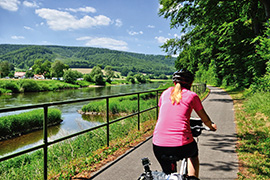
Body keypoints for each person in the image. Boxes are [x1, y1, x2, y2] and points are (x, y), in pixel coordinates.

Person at [152, 69, 217, 180]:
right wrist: (211, 126)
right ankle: (193, 178)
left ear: (174, 82)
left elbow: (166, 115)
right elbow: (205, 119)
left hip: (158, 145)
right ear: (191, 83)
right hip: (182, 145)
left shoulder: (165, 94)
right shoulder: (192, 96)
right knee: (193, 155)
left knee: (168, 175)